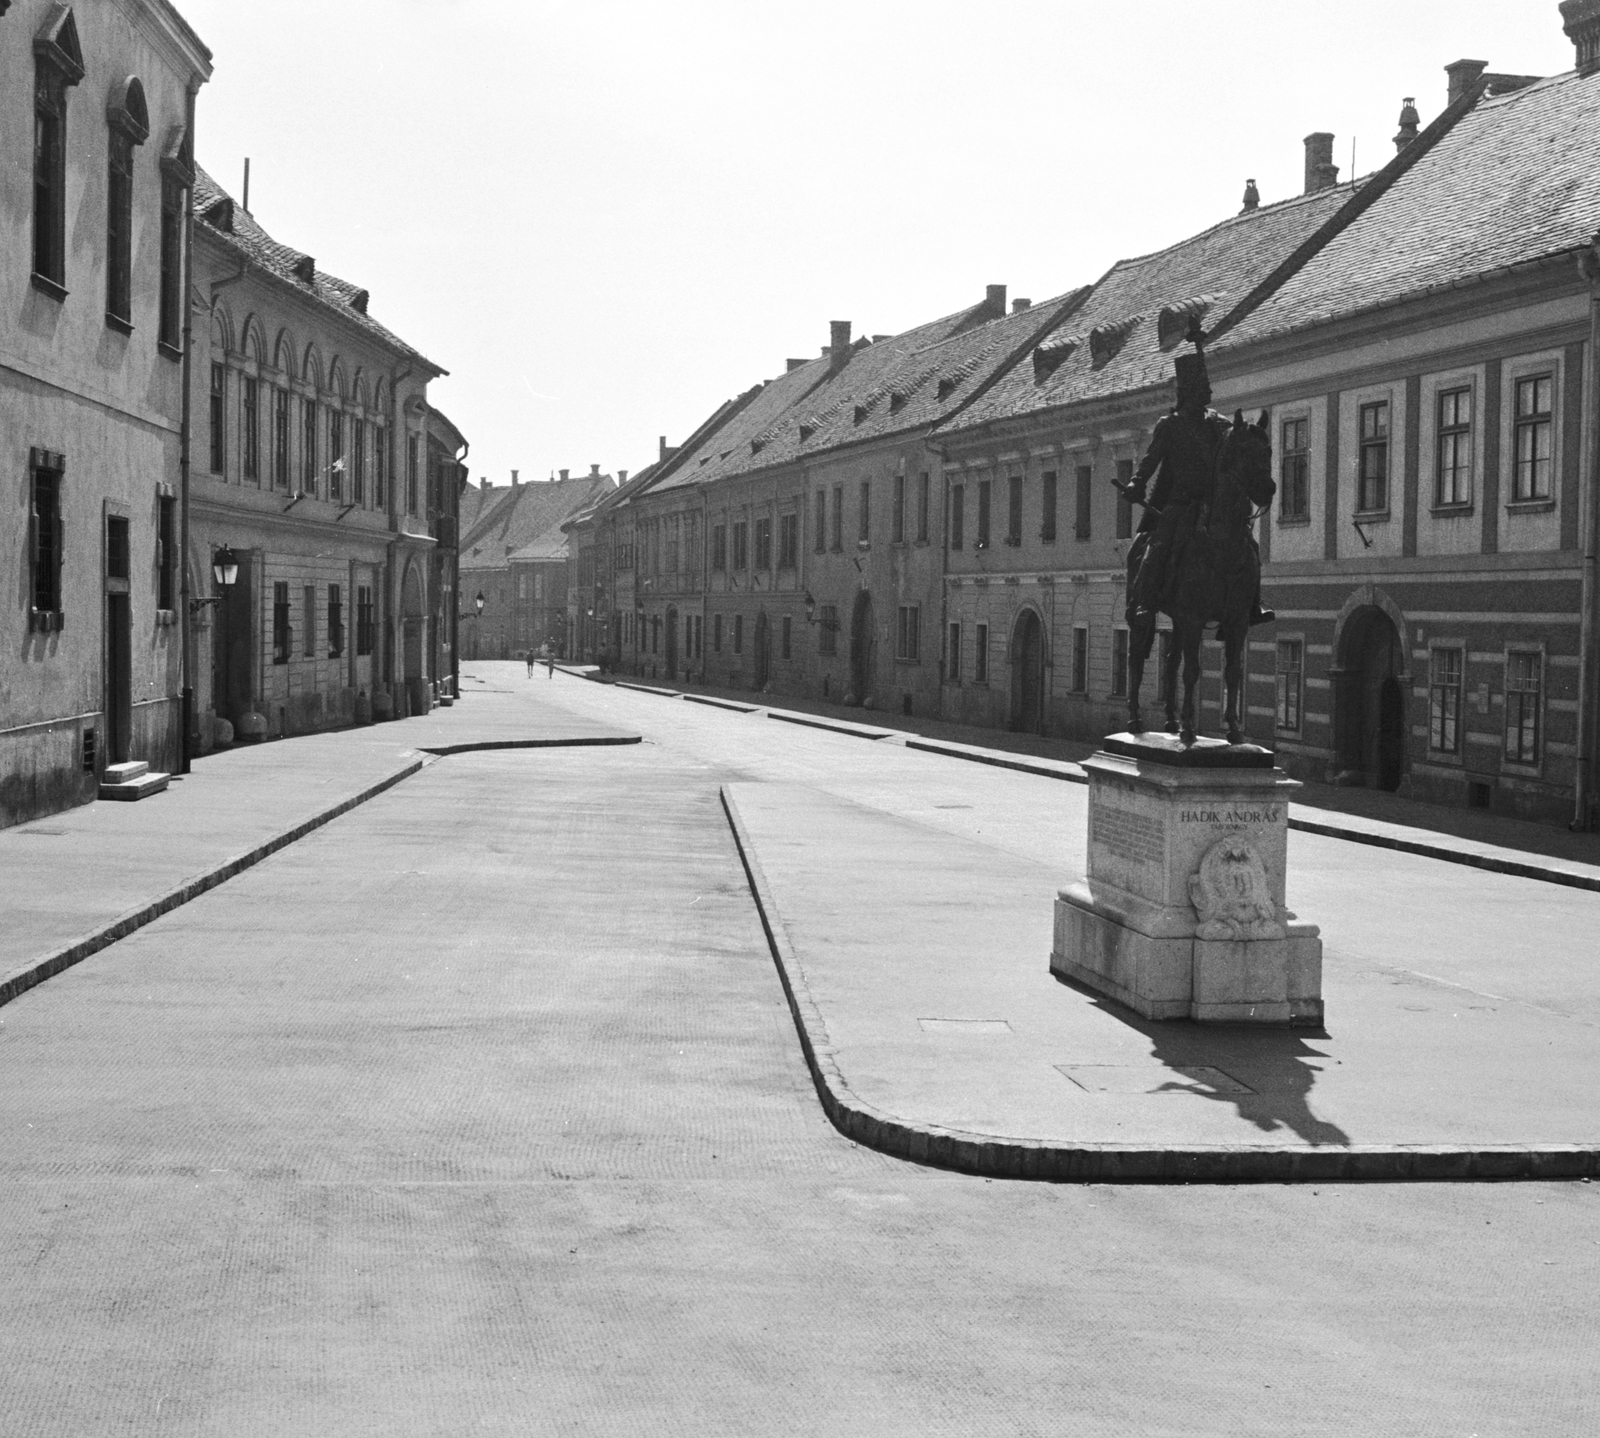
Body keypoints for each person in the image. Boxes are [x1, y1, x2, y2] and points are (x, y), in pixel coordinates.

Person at [1120, 349, 1273, 627]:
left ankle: (1253, 603)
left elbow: (1236, 441)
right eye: (1202, 388)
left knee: (1248, 543)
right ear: (1188, 391)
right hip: (1179, 502)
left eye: (1208, 387)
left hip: (1212, 501)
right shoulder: (1170, 425)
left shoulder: (1218, 422)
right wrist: (1136, 482)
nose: (1208, 393)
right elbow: (1150, 460)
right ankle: (1144, 600)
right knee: (1160, 543)